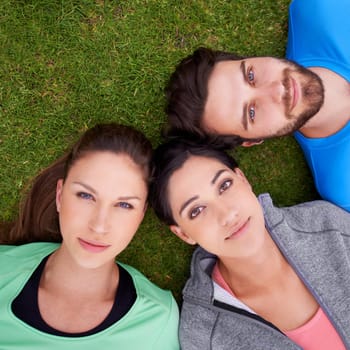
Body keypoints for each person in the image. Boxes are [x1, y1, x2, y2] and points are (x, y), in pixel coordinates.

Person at [149, 138, 350, 349]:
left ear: (243, 180)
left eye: (224, 185)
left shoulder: (326, 225)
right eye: (197, 210)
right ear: (183, 234)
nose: (227, 214)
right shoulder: (202, 334)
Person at [0, 123, 179, 349]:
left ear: (141, 215)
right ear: (60, 195)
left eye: (124, 205)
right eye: (85, 195)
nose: (99, 226)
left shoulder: (156, 322)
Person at [164, 0, 350, 212]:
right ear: (253, 141)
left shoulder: (322, 8)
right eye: (251, 113)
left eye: (250, 75)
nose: (278, 91)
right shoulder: (344, 187)